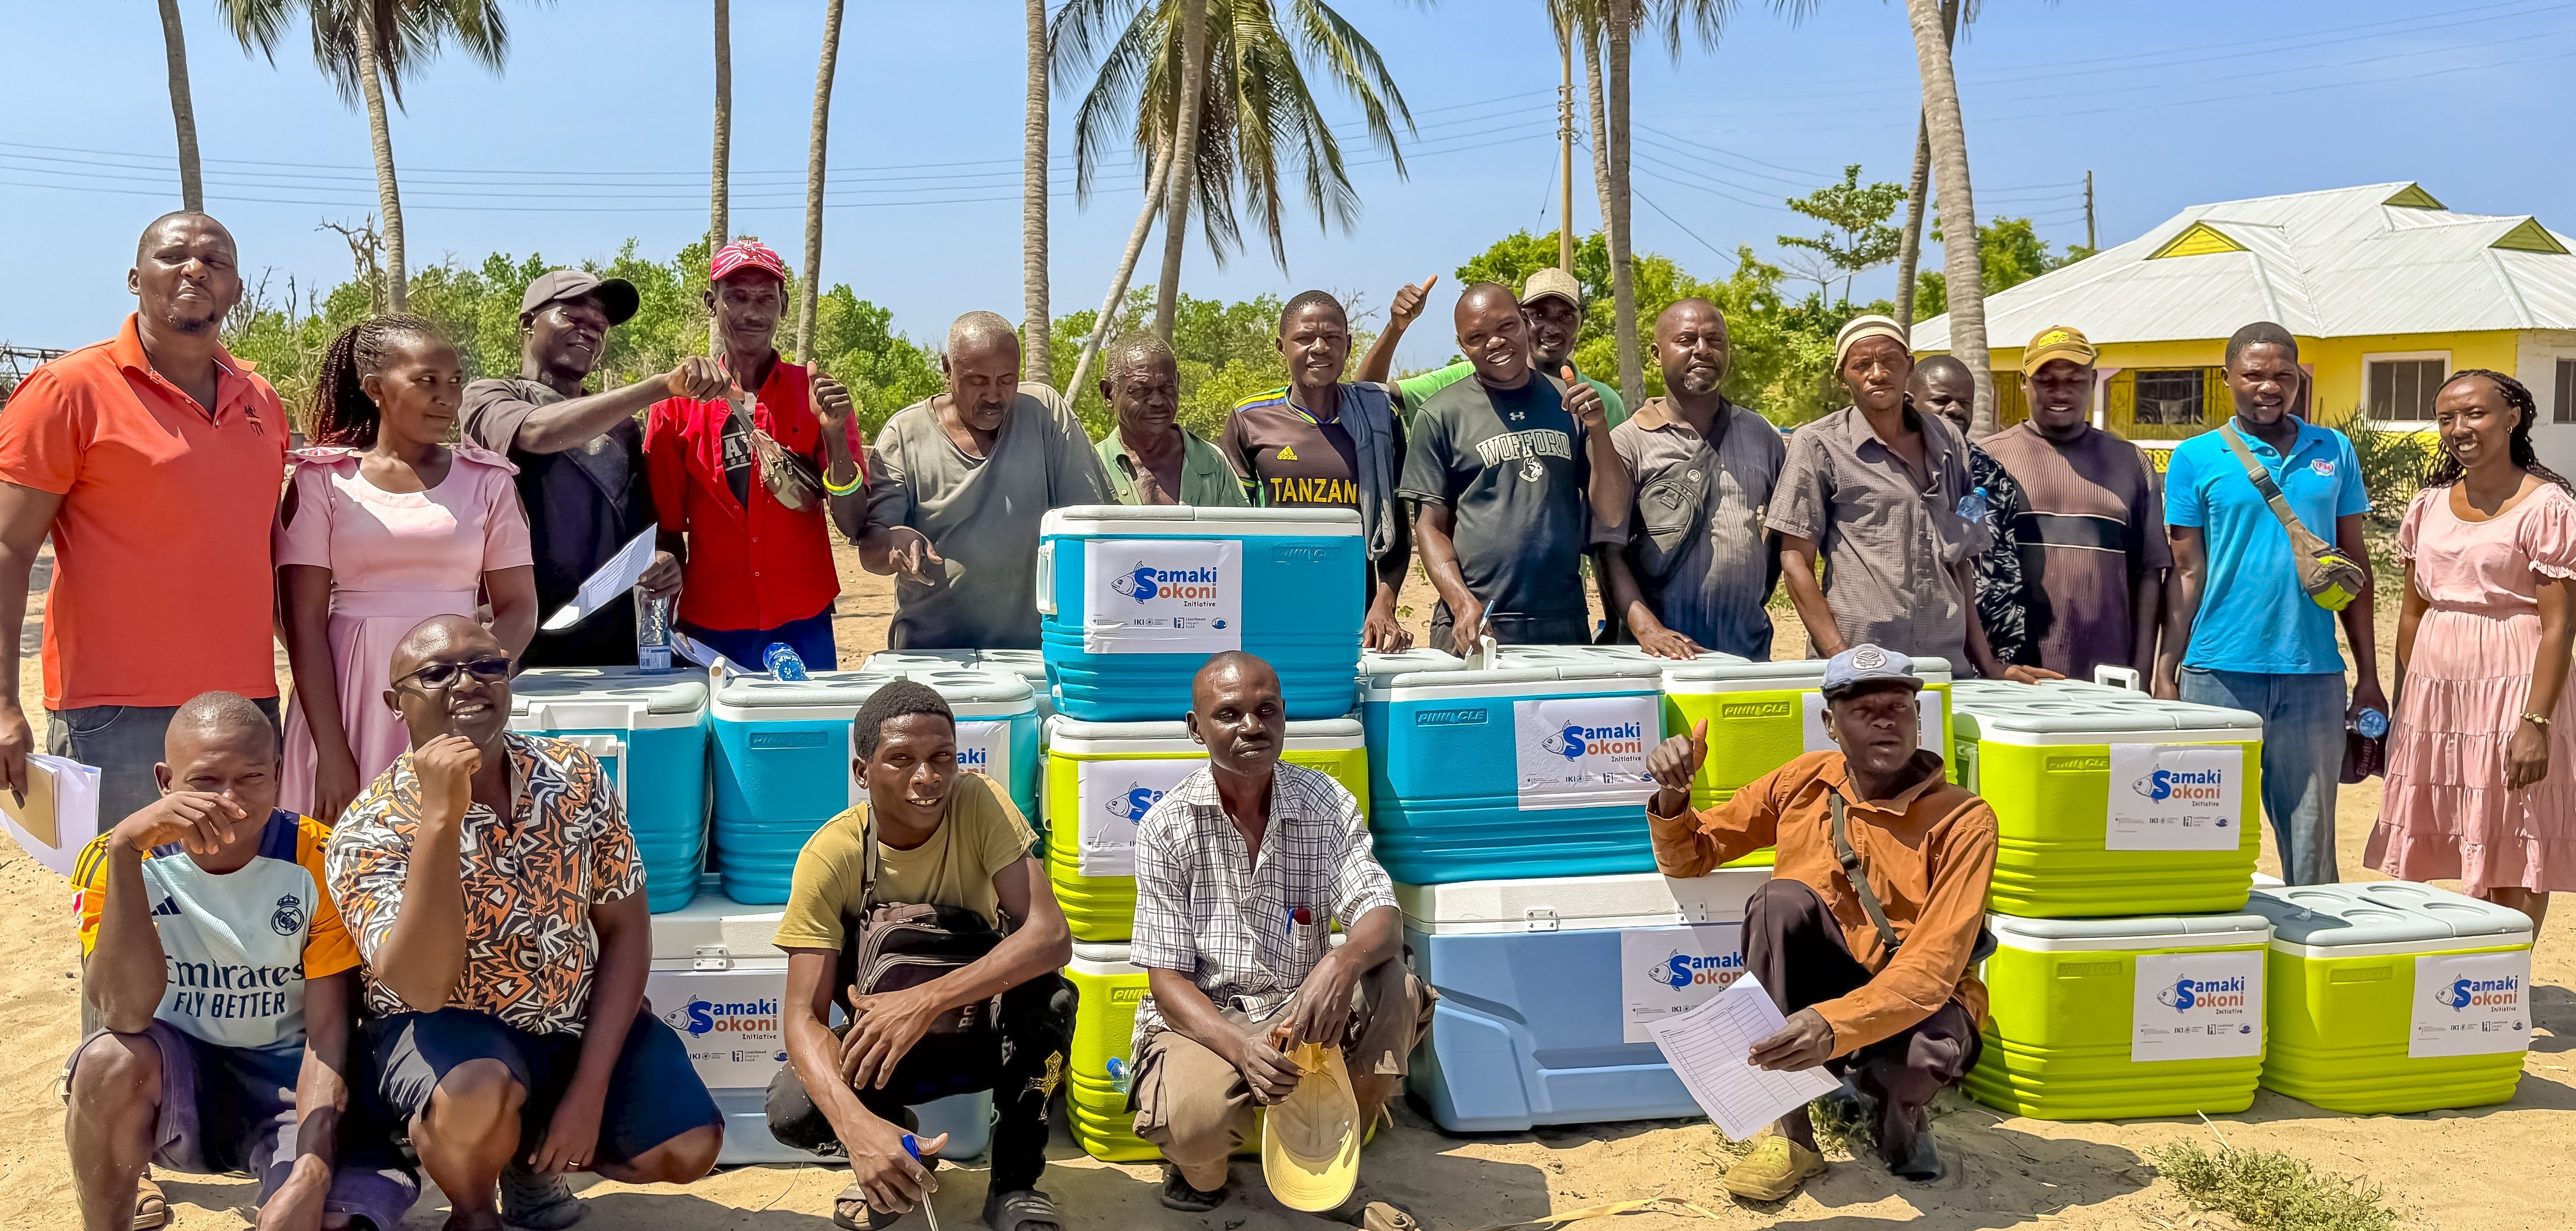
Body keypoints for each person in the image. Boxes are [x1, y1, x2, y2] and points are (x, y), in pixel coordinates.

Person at [326, 617, 722, 1230]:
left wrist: (588, 1094)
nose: (467, 684)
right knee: (478, 1091)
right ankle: (473, 1208)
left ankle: (530, 1165)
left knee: (687, 1145)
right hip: (442, 1038)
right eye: (436, 674)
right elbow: (423, 988)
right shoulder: (369, 828)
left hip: (562, 1022)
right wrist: (439, 820)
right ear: (395, 704)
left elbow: (625, 927)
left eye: (487, 665)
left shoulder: (576, 777)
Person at [1645, 646, 1994, 1199]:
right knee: (1778, 900)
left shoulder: (1964, 818)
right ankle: (1791, 1137)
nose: (1884, 719)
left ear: (1918, 718)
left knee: (1927, 1054)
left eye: (1898, 707)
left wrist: (1834, 1025)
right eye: (1862, 709)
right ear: (1830, 724)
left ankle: (1893, 1112)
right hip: (1819, 990)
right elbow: (1691, 854)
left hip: (1912, 999)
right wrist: (1674, 793)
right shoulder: (1804, 781)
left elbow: (1932, 970)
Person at [64, 692, 416, 1231]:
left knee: (324, 1219)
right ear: (165, 781)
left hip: (289, 1091)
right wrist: (125, 855)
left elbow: (329, 1029)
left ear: (277, 773)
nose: (229, 799)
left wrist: (312, 1168)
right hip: (179, 1084)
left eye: (251, 777)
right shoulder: (115, 858)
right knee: (108, 1060)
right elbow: (124, 1014)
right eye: (206, 780)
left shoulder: (315, 858)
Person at [0, 212, 289, 821]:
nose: (195, 268)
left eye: (216, 261)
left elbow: (263, 553)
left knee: (241, 904)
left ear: (236, 288)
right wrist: (2, 702)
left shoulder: (262, 400)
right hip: (114, 717)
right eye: (173, 255)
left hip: (247, 705)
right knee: (126, 904)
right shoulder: (67, 390)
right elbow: (7, 548)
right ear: (135, 277)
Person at [1128, 653, 1433, 1218]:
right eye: (1229, 713)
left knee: (1394, 981)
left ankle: (1330, 1159)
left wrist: (1340, 966)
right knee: (1193, 1125)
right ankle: (1199, 1174)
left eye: (1266, 710)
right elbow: (1165, 978)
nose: (1251, 726)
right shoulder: (1165, 827)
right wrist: (1241, 1048)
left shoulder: (1325, 802)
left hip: (1303, 1009)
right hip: (1210, 1018)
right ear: (1197, 729)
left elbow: (1380, 914)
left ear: (1284, 717)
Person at [765, 679, 1074, 1231]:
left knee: (1050, 1000)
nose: (927, 777)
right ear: (862, 772)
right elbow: (801, 1017)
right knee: (795, 1109)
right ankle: (900, 1157)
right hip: (886, 1050)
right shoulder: (833, 854)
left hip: (985, 1028)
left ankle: (1015, 1185)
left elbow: (1050, 935)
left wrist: (924, 1000)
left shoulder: (979, 803)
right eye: (901, 760)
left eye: (942, 758)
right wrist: (859, 1130)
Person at [276, 316, 537, 821]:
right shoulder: (321, 483)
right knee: (340, 862)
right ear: (376, 388)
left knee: (454, 859)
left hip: (457, 703)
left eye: (455, 382)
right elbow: (303, 624)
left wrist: (474, 682)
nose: (448, 397)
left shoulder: (489, 482)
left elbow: (520, 607)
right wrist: (331, 750)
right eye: (427, 382)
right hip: (346, 703)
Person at [2158, 322, 2383, 886]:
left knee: (2312, 850)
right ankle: (2214, 960)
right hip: (2216, 675)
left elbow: (2356, 568)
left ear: (2298, 377)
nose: (2269, 385)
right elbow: (2187, 571)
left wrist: (2369, 676)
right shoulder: (2194, 457)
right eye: (2254, 374)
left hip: (2313, 675)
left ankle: (2309, 964)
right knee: (2202, 837)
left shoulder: (2333, 450)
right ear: (2228, 378)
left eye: (2283, 374)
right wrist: (2166, 670)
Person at [2367, 370, 2575, 933]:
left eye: (2474, 414)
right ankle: (2452, 983)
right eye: (2446, 418)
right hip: (2437, 693)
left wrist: (2535, 721)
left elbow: (2559, 626)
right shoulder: (2427, 505)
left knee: (2513, 839)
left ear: (2512, 418)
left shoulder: (2547, 506)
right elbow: (2411, 614)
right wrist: (2406, 704)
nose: (2459, 428)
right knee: (2445, 834)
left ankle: (2502, 983)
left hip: (2514, 683)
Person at [464, 269, 732, 667]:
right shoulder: (490, 396)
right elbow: (538, 432)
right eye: (572, 317)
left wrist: (662, 563)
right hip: (521, 643)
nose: (590, 332)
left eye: (600, 327)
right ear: (527, 322)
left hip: (614, 645)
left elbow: (651, 534)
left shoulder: (623, 427)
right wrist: (660, 387)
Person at [1769, 316, 2053, 683]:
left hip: (1945, 664)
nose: (1877, 373)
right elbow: (1794, 562)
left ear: (1909, 367)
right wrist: (1842, 659)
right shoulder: (1819, 444)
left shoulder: (1947, 440)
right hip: (1864, 662)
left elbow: (1959, 557)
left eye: (1888, 360)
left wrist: (1988, 664)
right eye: (1860, 365)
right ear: (1843, 378)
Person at [644, 239, 866, 670]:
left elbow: (852, 521)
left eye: (766, 299)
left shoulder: (818, 396)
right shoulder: (674, 409)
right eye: (737, 297)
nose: (752, 313)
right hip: (711, 628)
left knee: (807, 735)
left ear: (783, 305)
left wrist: (835, 435)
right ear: (712, 302)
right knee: (720, 739)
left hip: (804, 621)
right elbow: (668, 534)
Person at [859, 311, 1114, 650]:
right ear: (947, 370)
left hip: (1034, 650)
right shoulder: (906, 435)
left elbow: (1091, 526)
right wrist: (896, 543)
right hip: (934, 654)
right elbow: (872, 549)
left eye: (1006, 380)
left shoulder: (1045, 414)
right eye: (977, 382)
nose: (994, 396)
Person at [1397, 283, 1630, 651]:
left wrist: (1598, 429)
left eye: (1505, 327)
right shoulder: (1440, 414)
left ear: (1523, 323)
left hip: (1561, 622)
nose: (1494, 343)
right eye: (1477, 336)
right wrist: (1460, 603)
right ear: (1462, 346)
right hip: (1474, 623)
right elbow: (1430, 527)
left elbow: (1613, 515)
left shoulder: (1568, 404)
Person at [1218, 291, 1413, 650]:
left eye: (1332, 337)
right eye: (1304, 338)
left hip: (1356, 608)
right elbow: (1230, 524)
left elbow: (1396, 526)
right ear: (1281, 346)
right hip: (1271, 603)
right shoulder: (1250, 418)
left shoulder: (1379, 419)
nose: (1319, 347)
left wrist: (1383, 603)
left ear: (1349, 345)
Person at [1975, 328, 2171, 682]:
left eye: (2074, 380)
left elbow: (2149, 574)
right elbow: (1962, 560)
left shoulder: (2130, 463)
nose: (2060, 392)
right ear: (2023, 382)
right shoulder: (1985, 460)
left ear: (2092, 380)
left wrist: (2142, 671)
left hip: (2107, 677)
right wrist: (1986, 661)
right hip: (2012, 674)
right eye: (2046, 380)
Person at [1602, 297, 1785, 660]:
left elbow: (1784, 529)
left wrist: (1754, 594)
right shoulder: (1627, 442)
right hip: (1658, 655)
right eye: (1686, 341)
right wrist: (1647, 629)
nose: (1702, 350)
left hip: (1744, 648)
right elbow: (1607, 551)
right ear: (1656, 355)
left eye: (1714, 341)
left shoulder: (1760, 433)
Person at [1359, 268, 1627, 429]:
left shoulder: (1601, 400)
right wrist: (1396, 327)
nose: (1553, 328)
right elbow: (1364, 396)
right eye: (1540, 315)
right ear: (1522, 319)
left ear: (1582, 321)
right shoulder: (1464, 379)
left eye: (1567, 316)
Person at [1910, 355, 2032, 669]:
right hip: (1903, 645)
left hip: (1982, 655)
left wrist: (2001, 649)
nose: (1955, 410)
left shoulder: (1991, 473)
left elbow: (2006, 567)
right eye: (1941, 400)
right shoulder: (1885, 468)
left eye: (1965, 402)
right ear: (1909, 401)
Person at [1093, 331, 1246, 508]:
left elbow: (1239, 532)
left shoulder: (1212, 461)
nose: (1157, 401)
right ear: (1108, 394)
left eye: (1167, 388)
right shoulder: (1092, 469)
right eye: (1141, 390)